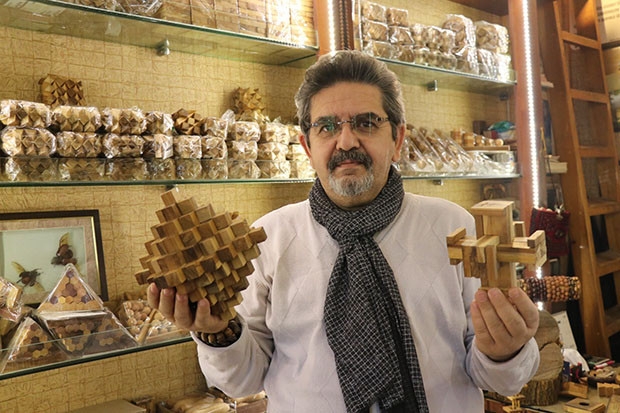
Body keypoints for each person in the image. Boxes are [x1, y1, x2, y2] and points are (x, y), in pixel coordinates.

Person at [148, 50, 540, 413]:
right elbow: (242, 381)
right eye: (327, 127)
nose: (347, 141)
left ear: (397, 139)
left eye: (367, 123)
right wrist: (219, 333)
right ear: (307, 147)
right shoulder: (270, 237)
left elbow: (501, 380)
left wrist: (504, 352)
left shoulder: (454, 228)